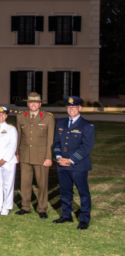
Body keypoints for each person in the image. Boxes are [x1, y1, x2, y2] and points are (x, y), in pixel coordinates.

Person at [52, 96, 95, 230]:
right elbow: (57, 142)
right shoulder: (61, 122)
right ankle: (66, 215)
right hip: (62, 164)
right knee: (65, 191)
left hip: (78, 165)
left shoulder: (87, 126)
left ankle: (84, 219)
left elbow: (86, 147)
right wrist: (59, 157)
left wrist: (70, 160)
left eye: (74, 107)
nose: (71, 110)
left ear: (79, 108)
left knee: (83, 192)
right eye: (69, 107)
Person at [15, 92, 55, 219]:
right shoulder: (21, 117)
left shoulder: (48, 117)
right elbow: (19, 137)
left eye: (36, 102)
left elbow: (50, 140)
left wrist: (49, 157)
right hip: (25, 155)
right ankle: (25, 207)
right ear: (27, 103)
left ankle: (42, 208)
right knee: (25, 183)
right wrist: (17, 153)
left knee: (42, 183)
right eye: (30, 102)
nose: (33, 105)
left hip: (41, 156)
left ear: (39, 104)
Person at [0, 106, 18, 216]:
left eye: (3, 114)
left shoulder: (11, 129)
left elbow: (13, 145)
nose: (1, 116)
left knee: (8, 184)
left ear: (6, 116)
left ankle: (7, 206)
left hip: (8, 161)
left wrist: (4, 159)